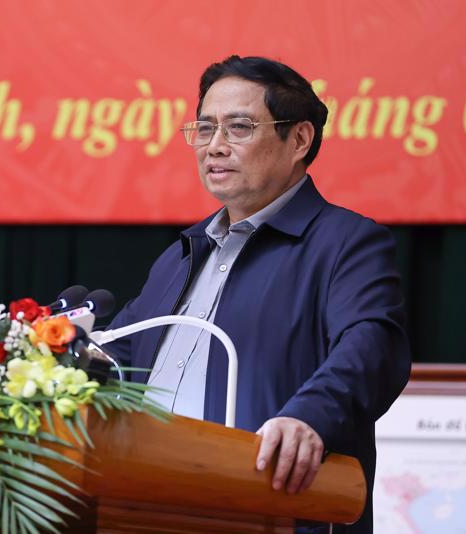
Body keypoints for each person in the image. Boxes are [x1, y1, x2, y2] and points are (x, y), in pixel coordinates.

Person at [105, 55, 411, 533]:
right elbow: (112, 355)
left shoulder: (346, 242)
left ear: (299, 139)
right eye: (205, 129)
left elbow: (371, 345)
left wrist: (309, 419)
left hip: (270, 509)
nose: (215, 147)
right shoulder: (181, 256)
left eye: (239, 127)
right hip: (145, 509)